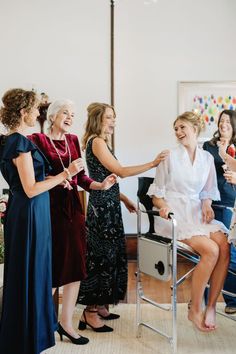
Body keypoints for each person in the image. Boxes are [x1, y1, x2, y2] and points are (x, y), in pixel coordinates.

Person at [0, 89, 84, 354]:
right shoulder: (19, 143)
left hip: (30, 211)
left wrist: (61, 179)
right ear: (24, 113)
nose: (39, 113)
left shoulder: (11, 141)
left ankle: (28, 334)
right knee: (31, 274)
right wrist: (67, 173)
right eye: (35, 109)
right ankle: (25, 339)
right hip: (29, 213)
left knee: (34, 274)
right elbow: (31, 188)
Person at [28, 99, 117, 344]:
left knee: (75, 268)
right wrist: (60, 176)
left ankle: (66, 323)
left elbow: (81, 178)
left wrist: (99, 185)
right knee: (53, 269)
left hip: (73, 211)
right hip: (49, 211)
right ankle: (43, 323)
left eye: (73, 114)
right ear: (54, 116)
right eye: (65, 113)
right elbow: (34, 176)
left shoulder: (73, 140)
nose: (69, 117)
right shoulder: (37, 140)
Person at [77, 102, 169, 332]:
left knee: (111, 255)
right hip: (102, 211)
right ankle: (88, 312)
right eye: (109, 117)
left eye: (114, 117)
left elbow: (107, 179)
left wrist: (124, 199)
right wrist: (153, 163)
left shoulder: (100, 142)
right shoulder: (96, 142)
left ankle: (100, 306)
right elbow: (121, 171)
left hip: (109, 205)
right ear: (98, 119)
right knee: (101, 257)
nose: (113, 121)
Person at [147, 111, 230, 332]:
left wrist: (206, 203)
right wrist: (162, 205)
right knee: (211, 250)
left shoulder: (207, 158)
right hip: (174, 216)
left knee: (224, 245)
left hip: (196, 214)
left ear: (195, 129)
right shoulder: (169, 156)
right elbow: (156, 194)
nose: (178, 132)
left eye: (182, 127)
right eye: (176, 129)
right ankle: (194, 308)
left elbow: (207, 191)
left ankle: (211, 305)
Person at [203, 109, 236, 314]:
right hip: (211, 201)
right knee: (210, 251)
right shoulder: (209, 146)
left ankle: (231, 299)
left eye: (227, 122)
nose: (223, 124)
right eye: (221, 121)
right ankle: (205, 299)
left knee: (229, 251)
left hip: (230, 203)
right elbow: (204, 174)